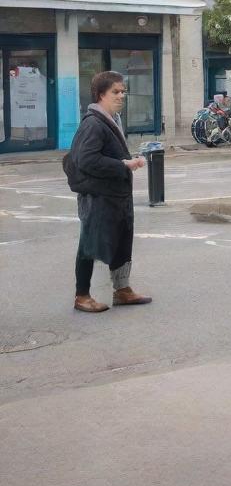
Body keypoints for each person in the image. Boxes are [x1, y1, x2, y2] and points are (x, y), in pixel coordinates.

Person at [65, 71, 151, 313]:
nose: (121, 95)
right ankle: (82, 295)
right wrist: (123, 165)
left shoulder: (112, 119)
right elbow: (86, 160)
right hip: (99, 196)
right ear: (100, 94)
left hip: (117, 195)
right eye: (115, 91)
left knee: (122, 240)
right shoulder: (93, 123)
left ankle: (122, 290)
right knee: (89, 244)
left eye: (123, 91)